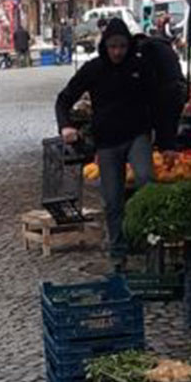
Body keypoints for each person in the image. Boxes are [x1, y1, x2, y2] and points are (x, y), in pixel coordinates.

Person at [55, 19, 154, 254]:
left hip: (137, 135)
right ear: (105, 46)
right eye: (112, 47)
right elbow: (64, 99)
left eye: (122, 46)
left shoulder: (140, 67)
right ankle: (118, 245)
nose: (117, 52)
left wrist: (165, 137)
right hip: (107, 141)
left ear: (129, 45)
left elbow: (158, 101)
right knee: (112, 199)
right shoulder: (93, 69)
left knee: (145, 178)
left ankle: (146, 237)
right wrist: (65, 126)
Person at [134, 32, 186, 152]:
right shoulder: (163, 46)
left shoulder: (147, 48)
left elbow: (148, 77)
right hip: (178, 91)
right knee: (169, 130)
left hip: (165, 94)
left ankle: (163, 158)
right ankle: (167, 155)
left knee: (163, 131)